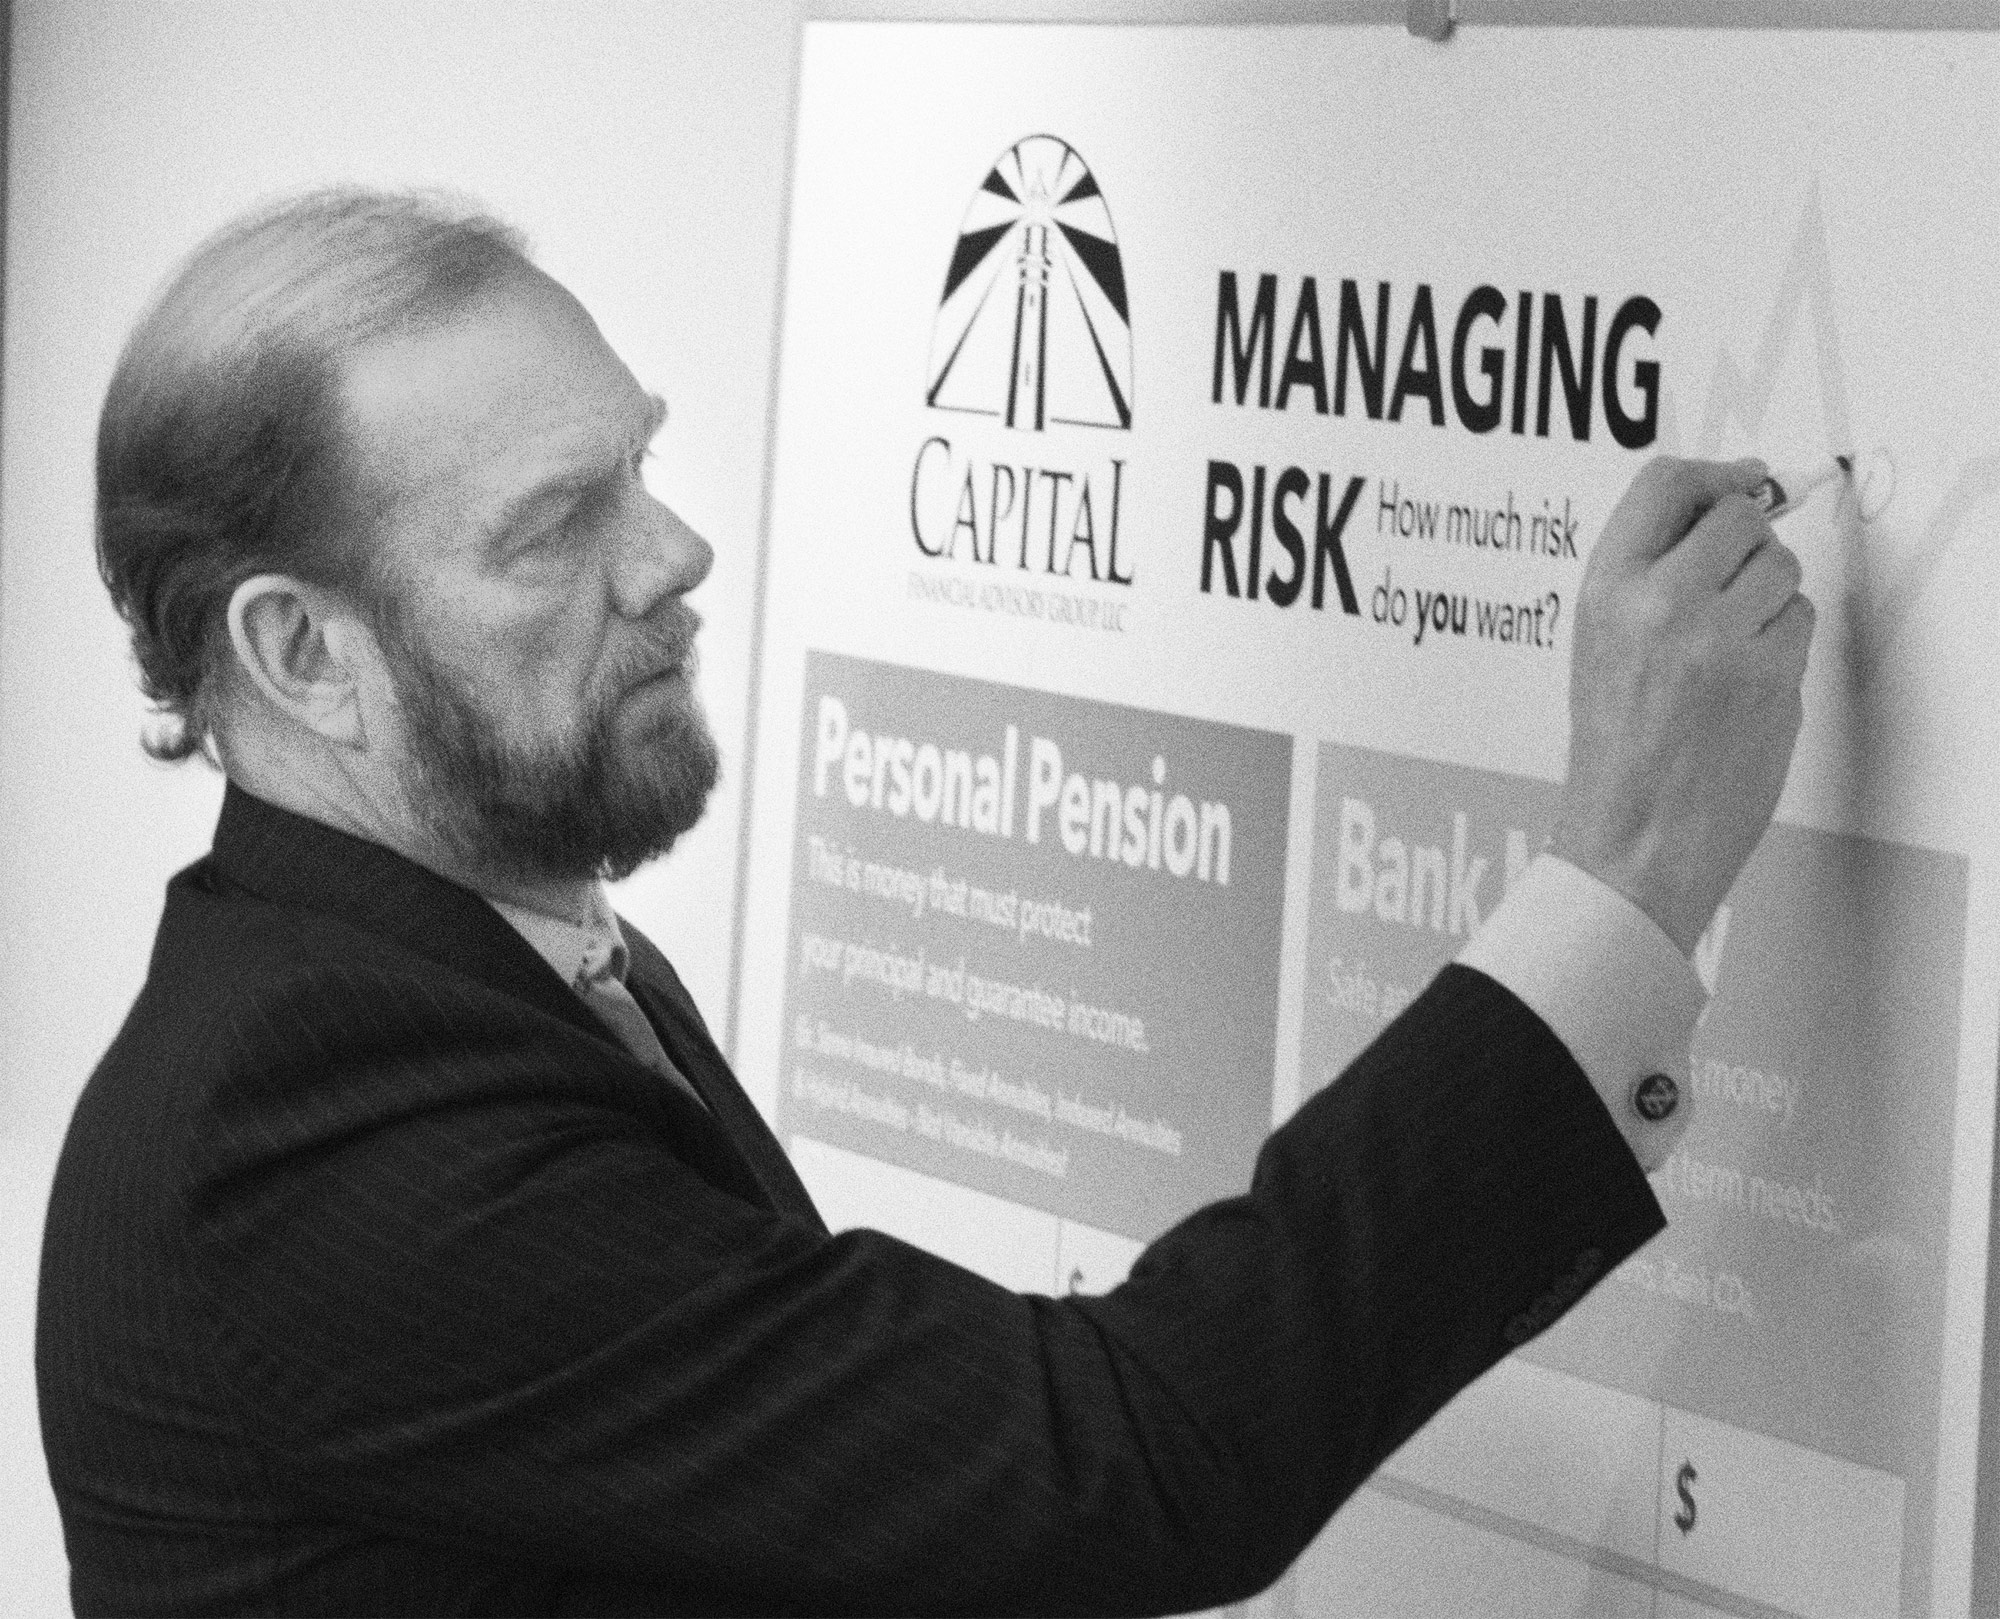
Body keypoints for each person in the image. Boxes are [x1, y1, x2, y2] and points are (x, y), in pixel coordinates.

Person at [37, 188, 1813, 1619]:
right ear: (298, 653)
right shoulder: (310, 1134)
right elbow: (1118, 1463)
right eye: (553, 527)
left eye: (639, 468)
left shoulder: (463, 963)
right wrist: (1632, 869)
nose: (671, 557)